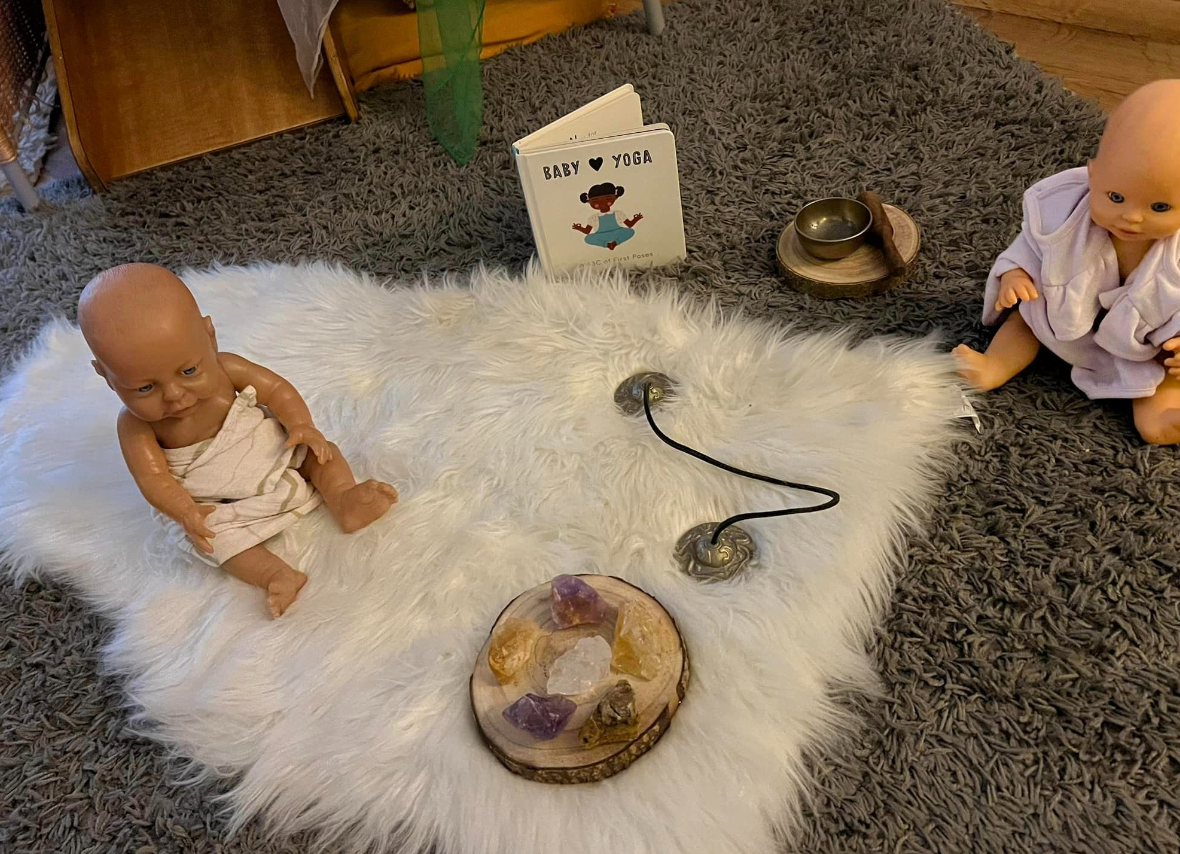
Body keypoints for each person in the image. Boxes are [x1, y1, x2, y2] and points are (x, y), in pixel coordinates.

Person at [78, 263, 398, 617]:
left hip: (268, 449)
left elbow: (276, 389)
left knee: (319, 453)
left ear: (209, 336)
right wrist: (185, 510)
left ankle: (343, 499)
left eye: (188, 371)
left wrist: (301, 424)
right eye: (144, 388)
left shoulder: (228, 367)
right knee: (210, 538)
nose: (174, 395)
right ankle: (276, 574)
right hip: (212, 496)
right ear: (105, 376)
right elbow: (153, 479)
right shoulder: (134, 426)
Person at [954, 79, 1180, 445]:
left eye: (1159, 207)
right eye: (1116, 196)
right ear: (1094, 174)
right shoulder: (1062, 211)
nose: (1131, 218)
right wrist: (1014, 275)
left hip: (1142, 342)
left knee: (1164, 378)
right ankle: (994, 365)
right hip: (1062, 313)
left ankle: (1166, 418)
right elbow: (1029, 248)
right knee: (1026, 316)